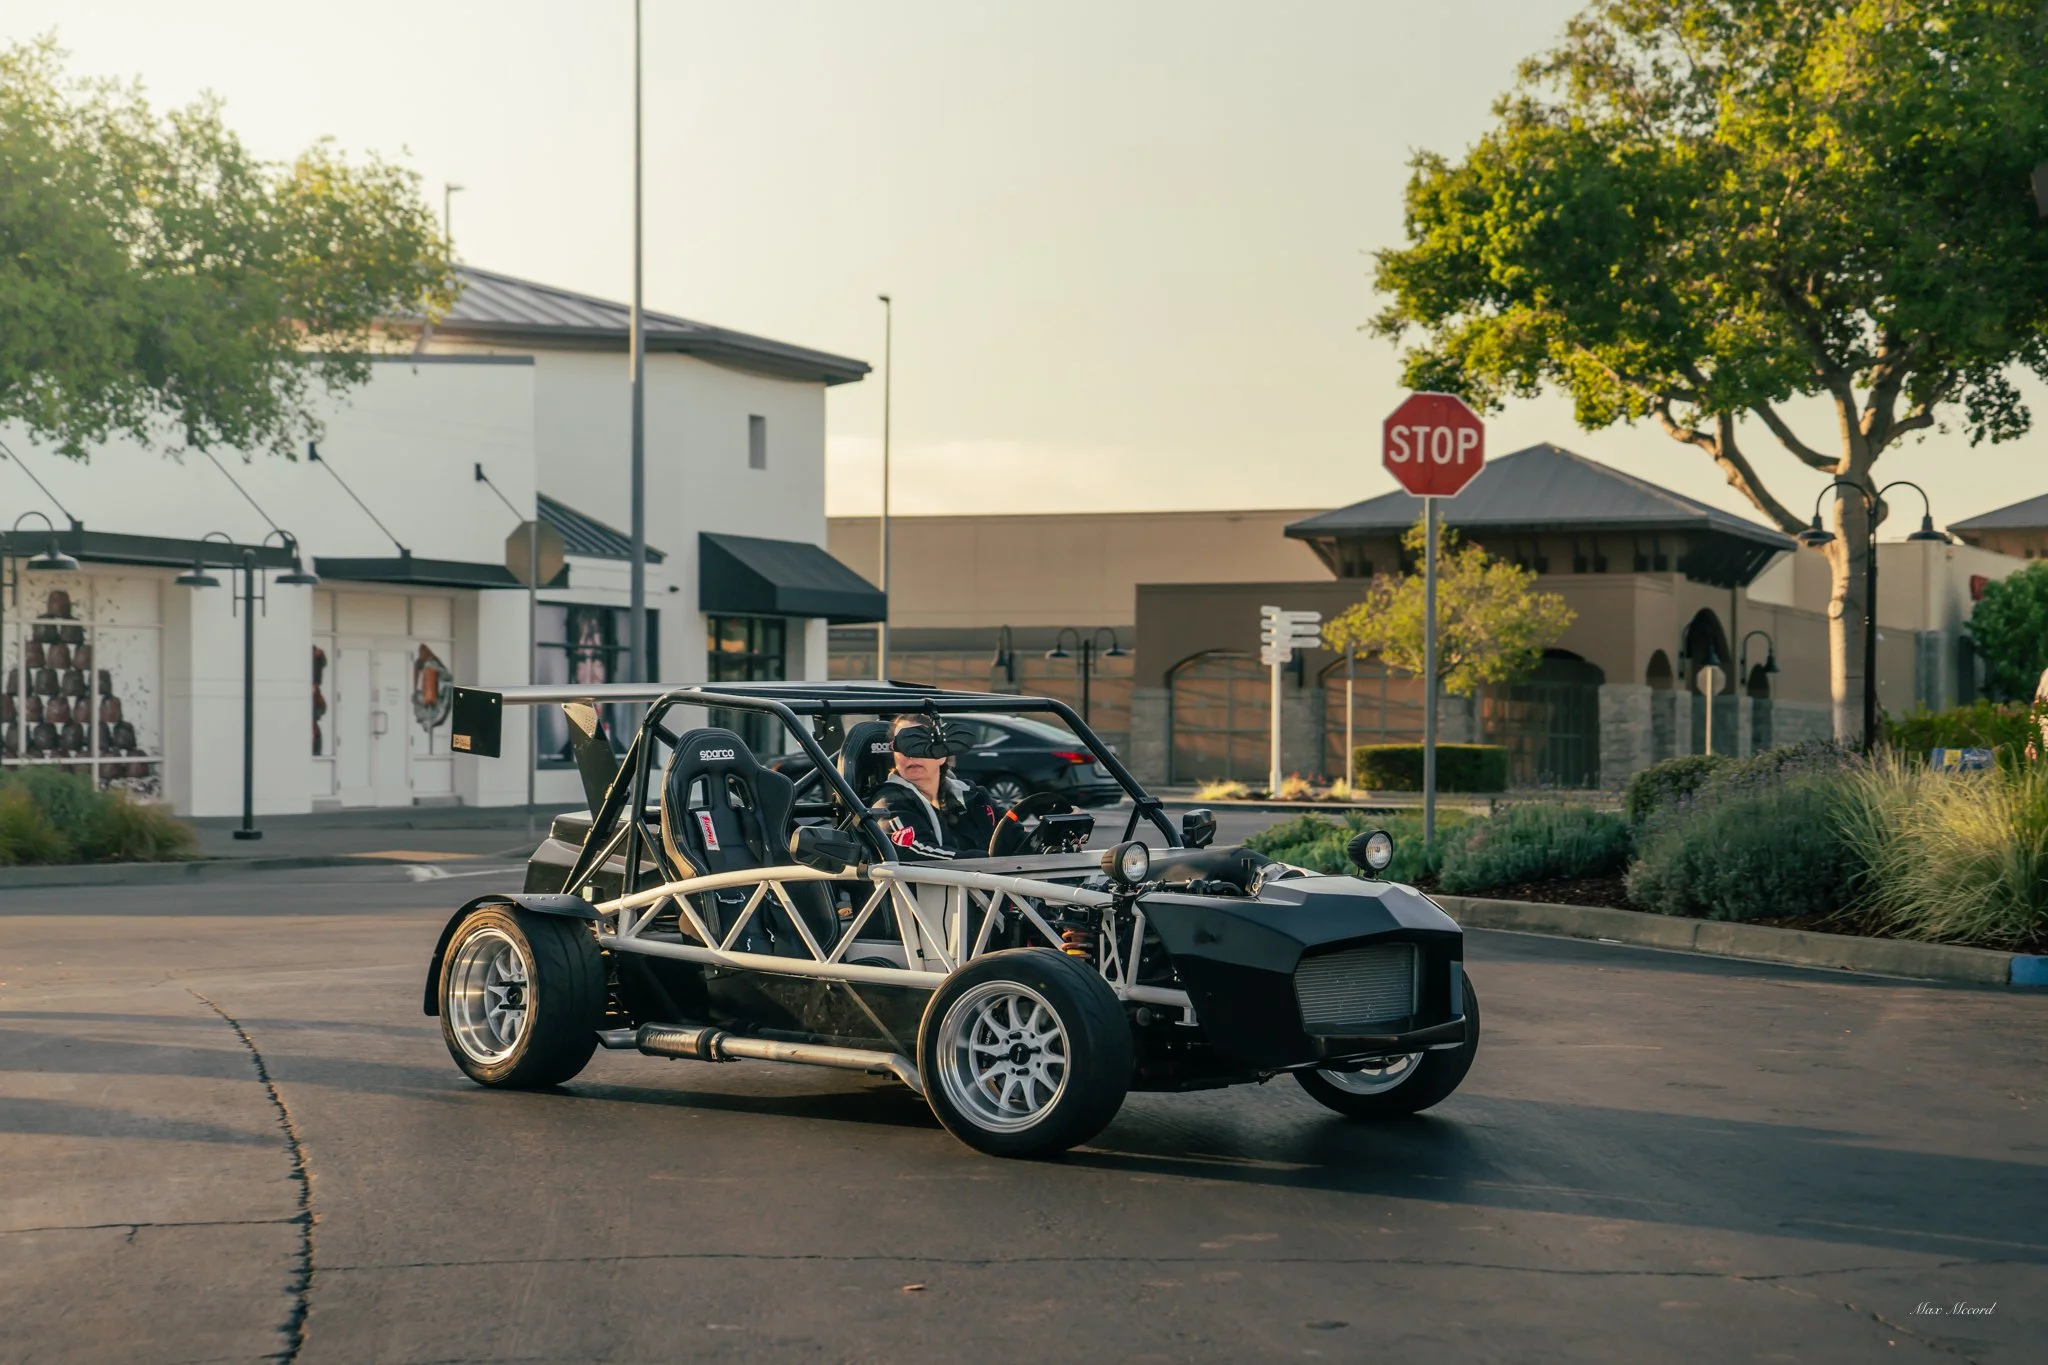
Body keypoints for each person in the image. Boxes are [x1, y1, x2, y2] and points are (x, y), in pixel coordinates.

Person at [869, 714, 1001, 859]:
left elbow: (1014, 836)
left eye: (920, 742)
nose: (911, 755)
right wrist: (989, 862)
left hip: (992, 879)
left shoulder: (974, 796)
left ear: (942, 753)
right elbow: (916, 852)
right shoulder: (888, 804)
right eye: (902, 745)